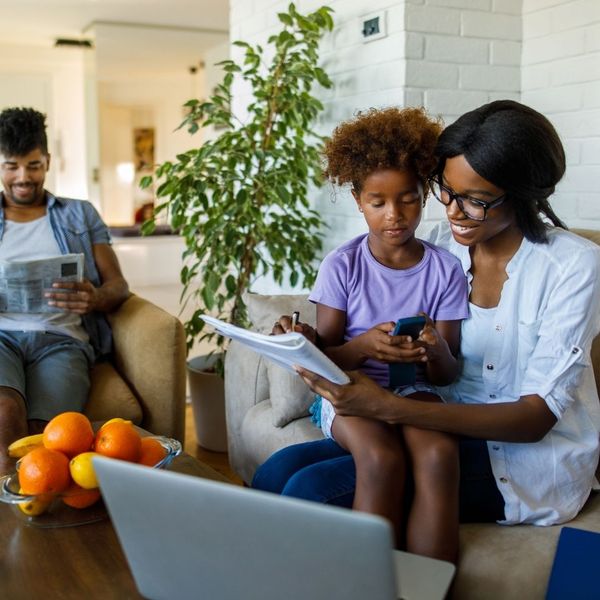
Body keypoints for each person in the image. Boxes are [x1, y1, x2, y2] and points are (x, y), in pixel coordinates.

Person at [253, 100, 600, 546]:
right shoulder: (439, 247)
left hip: (516, 454)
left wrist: (386, 406)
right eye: (446, 191)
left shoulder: (574, 265)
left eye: (475, 201)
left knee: (309, 492)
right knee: (276, 472)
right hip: (426, 415)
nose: (454, 212)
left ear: (524, 191)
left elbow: (533, 420)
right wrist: (306, 341)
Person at [257, 107, 470, 562]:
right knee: (380, 460)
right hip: (349, 391)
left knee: (438, 457)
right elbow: (328, 356)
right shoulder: (343, 266)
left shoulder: (445, 270)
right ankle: (368, 582)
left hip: (415, 390)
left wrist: (433, 349)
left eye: (408, 199)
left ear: (426, 195)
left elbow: (448, 375)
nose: (394, 215)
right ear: (358, 200)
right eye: (378, 202)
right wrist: (363, 346)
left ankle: (430, 587)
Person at [0, 107, 130, 474]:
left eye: (34, 165)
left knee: (47, 435)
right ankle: (12, 511)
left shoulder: (80, 214)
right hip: (2, 336)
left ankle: (36, 508)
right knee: (4, 411)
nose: (23, 177)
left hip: (61, 340)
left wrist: (96, 297)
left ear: (48, 161)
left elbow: (118, 286)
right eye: (11, 166)